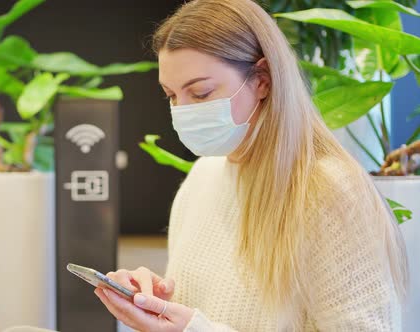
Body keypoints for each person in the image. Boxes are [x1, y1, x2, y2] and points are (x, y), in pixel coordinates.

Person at [93, 0, 409, 331]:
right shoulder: (204, 176)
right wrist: (158, 304)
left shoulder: (328, 190)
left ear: (262, 80)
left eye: (200, 94)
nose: (182, 112)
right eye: (172, 96)